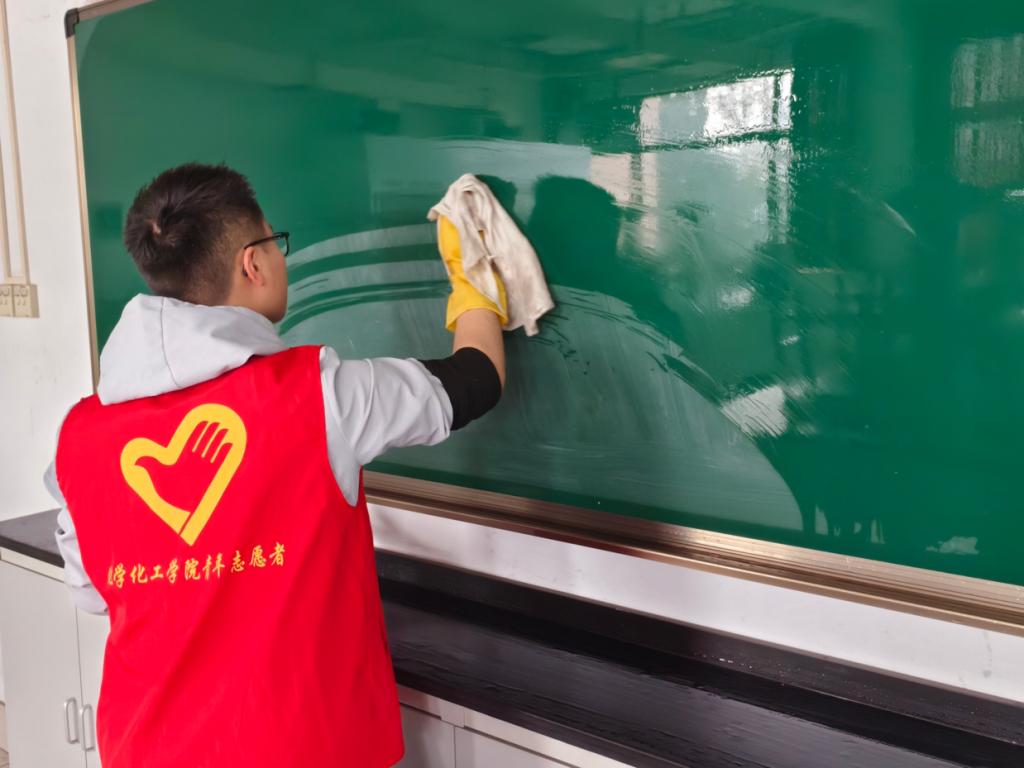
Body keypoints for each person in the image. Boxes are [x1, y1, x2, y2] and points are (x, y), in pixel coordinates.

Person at [45, 163, 508, 767]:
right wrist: (472, 280)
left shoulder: (78, 438)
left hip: (145, 748)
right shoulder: (321, 397)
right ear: (253, 263)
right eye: (275, 240)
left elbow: (93, 593)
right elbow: (476, 380)